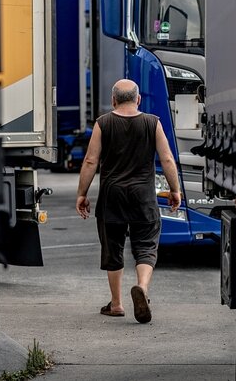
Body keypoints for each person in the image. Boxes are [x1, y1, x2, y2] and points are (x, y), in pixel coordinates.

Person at [75, 79, 181, 323]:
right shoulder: (152, 123)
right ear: (138, 99)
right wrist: (175, 190)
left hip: (112, 195)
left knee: (113, 248)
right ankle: (142, 287)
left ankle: (117, 304)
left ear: (113, 100)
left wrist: (82, 193)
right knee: (145, 245)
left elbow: (91, 161)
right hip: (143, 195)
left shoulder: (103, 123)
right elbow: (166, 159)